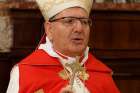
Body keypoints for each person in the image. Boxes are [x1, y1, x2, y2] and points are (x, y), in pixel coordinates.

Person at [6, 0, 120, 93]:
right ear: (49, 29)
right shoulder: (25, 73)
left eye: (84, 22)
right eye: (69, 21)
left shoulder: (101, 74)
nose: (79, 29)